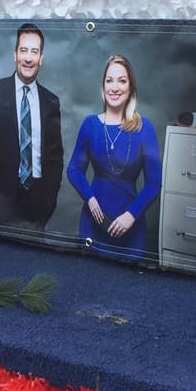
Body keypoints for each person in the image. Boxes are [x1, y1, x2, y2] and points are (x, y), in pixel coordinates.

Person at [66, 54, 162, 261]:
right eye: (109, 80)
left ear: (131, 88)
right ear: (103, 87)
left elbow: (154, 183)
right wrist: (90, 199)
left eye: (122, 80)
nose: (115, 87)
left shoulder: (144, 128)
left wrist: (131, 215)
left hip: (131, 230)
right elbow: (74, 170)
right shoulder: (90, 125)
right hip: (93, 226)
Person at [0, 23, 63, 229]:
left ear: (41, 58)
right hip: (1, 200)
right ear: (15, 54)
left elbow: (55, 157)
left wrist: (49, 199)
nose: (28, 57)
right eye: (23, 50)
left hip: (38, 200)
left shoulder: (51, 101)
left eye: (34, 52)